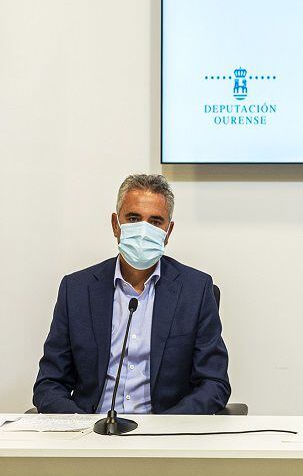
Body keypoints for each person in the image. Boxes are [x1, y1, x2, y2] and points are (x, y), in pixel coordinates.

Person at [33, 174, 231, 414]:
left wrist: (166, 428)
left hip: (163, 437)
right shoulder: (76, 290)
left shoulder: (195, 291)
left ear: (168, 232)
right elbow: (49, 384)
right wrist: (80, 426)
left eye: (155, 222)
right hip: (90, 434)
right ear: (116, 225)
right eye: (134, 218)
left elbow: (214, 384)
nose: (144, 230)